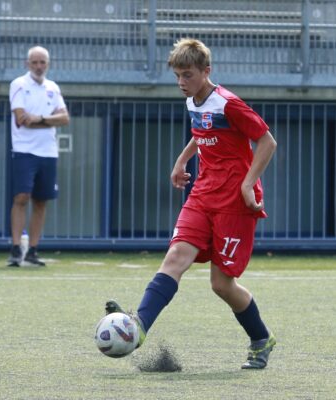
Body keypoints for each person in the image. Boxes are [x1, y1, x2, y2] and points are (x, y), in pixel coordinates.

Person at [106, 38, 278, 369]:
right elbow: (201, 131)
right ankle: (138, 327)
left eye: (187, 75)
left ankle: (261, 339)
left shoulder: (229, 103)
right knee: (175, 258)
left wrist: (247, 184)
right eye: (177, 76)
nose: (181, 83)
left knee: (221, 284)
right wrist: (182, 160)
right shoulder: (193, 101)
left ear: (206, 71)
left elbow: (267, 142)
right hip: (202, 195)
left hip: (234, 202)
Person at [8, 46, 69, 267]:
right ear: (27, 64)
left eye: (42, 62)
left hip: (48, 152)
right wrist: (47, 119)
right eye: (34, 62)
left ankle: (33, 250)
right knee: (21, 197)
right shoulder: (18, 84)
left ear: (48, 64)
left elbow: (65, 118)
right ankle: (16, 248)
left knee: (41, 201)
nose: (39, 66)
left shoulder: (53, 87)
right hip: (24, 150)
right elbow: (22, 118)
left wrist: (39, 118)